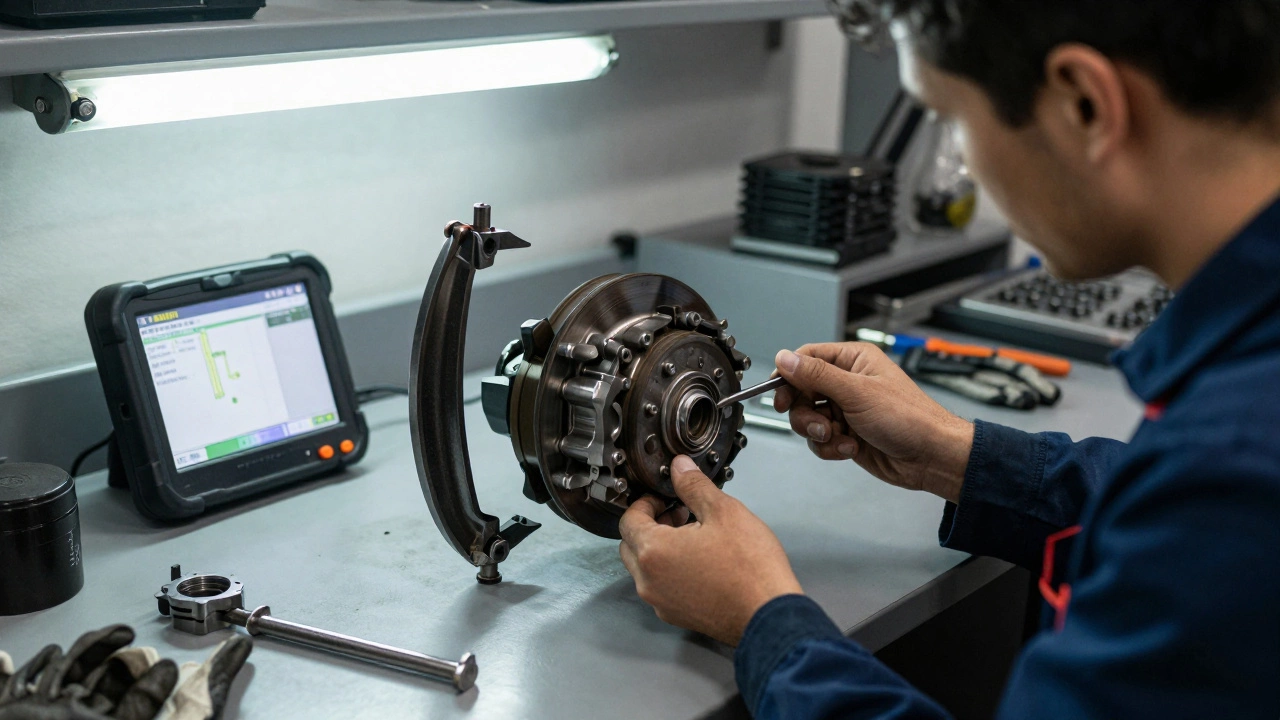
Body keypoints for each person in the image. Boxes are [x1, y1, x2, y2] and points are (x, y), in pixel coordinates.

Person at [616, 1, 1280, 717]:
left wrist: (762, 621)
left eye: (954, 119)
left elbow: (1196, 513)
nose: (965, 166)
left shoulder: (1231, 466)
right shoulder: (1238, 403)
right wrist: (955, 456)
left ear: (1084, 105)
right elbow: (1160, 515)